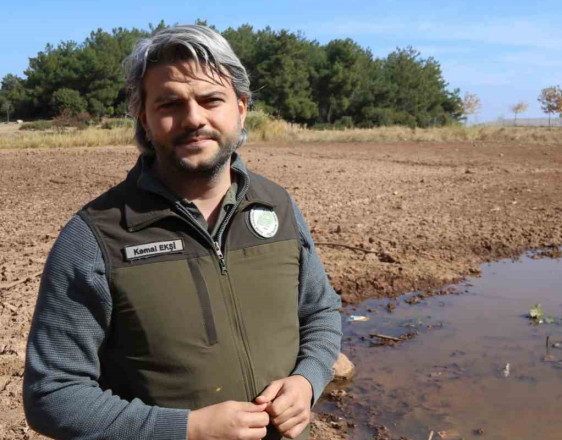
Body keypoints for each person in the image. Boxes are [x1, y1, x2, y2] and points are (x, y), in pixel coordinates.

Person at [23, 24, 342, 440]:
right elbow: (52, 395)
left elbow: (320, 311)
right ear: (145, 117)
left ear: (241, 107)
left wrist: (308, 380)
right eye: (170, 103)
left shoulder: (277, 206)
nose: (193, 118)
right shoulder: (95, 237)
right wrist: (186, 428)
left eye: (211, 100)